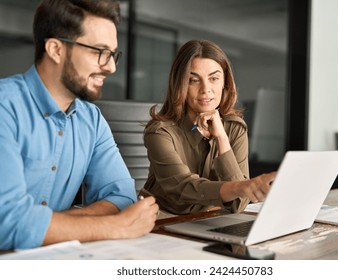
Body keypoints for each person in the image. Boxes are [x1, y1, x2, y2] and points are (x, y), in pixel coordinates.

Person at [0, 0, 158, 250]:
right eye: (99, 51)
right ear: (55, 49)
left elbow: (122, 197)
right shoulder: (4, 107)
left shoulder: (91, 119)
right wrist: (115, 226)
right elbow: (7, 222)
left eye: (113, 54)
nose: (111, 67)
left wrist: (51, 225)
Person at [141, 39, 277, 214]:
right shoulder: (160, 133)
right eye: (193, 80)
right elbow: (182, 187)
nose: (206, 89)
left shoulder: (234, 128)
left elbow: (239, 204)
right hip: (164, 220)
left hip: (209, 219)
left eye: (214, 78)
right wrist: (239, 188)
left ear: (225, 83)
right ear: (180, 84)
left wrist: (221, 138)